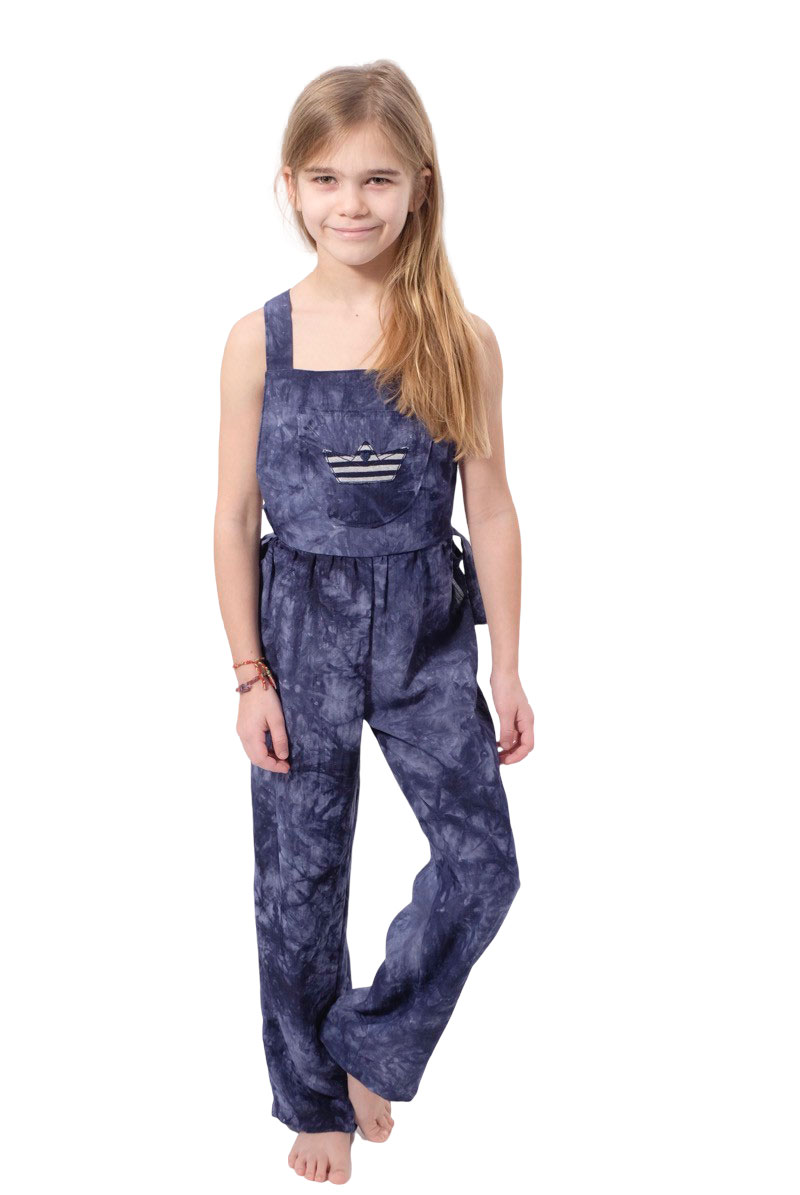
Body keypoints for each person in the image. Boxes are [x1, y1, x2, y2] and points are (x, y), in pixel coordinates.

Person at [214, 59, 534, 1185]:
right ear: (291, 187)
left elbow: (491, 507)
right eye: (326, 179)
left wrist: (507, 663)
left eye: (377, 179)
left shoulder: (459, 338)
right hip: (297, 624)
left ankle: (370, 1041)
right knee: (299, 877)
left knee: (482, 863)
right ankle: (314, 1101)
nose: (350, 203)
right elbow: (232, 514)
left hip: (424, 624)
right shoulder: (259, 340)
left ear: (419, 186)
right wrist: (248, 673)